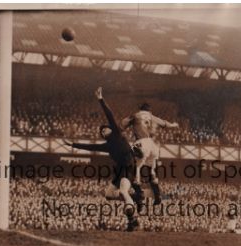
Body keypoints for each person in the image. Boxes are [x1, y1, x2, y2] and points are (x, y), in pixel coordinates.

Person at [64, 87, 142, 231]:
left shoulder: (118, 133)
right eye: (101, 131)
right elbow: (90, 148)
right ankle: (133, 199)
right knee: (109, 195)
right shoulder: (107, 146)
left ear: (111, 129)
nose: (103, 131)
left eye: (105, 129)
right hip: (119, 170)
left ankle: (133, 220)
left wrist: (101, 99)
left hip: (128, 166)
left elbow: (109, 115)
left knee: (123, 192)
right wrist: (73, 144)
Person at [121, 102, 179, 204]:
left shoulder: (136, 115)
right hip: (153, 145)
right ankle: (157, 196)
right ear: (149, 110)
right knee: (151, 170)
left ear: (140, 109)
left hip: (142, 142)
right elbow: (165, 124)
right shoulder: (152, 116)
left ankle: (139, 190)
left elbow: (123, 123)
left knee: (133, 164)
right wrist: (174, 125)